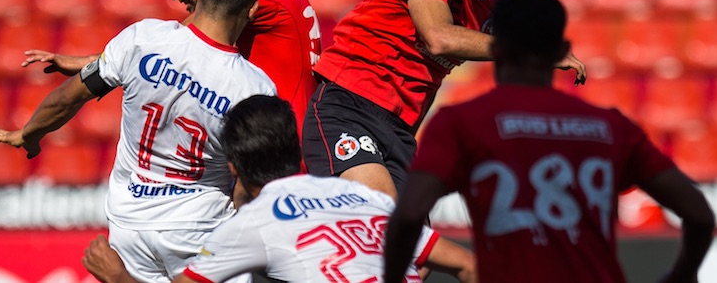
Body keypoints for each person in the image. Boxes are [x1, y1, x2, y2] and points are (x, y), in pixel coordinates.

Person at [0, 0, 275, 283]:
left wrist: (27, 135)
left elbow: (65, 98)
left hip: (129, 225)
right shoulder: (254, 89)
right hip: (200, 228)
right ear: (252, 9)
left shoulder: (143, 38)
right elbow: (250, 183)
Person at [383, 0, 716, 283]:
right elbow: (699, 214)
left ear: (494, 46)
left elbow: (410, 214)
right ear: (561, 51)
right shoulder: (611, 128)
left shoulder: (460, 123)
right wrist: (682, 274)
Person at [301, 0, 587, 201]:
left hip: (399, 132)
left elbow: (432, 75)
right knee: (383, 219)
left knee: (409, 240)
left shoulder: (496, 13)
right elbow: (439, 38)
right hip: (348, 107)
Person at [81, 95, 478, 283]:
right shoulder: (366, 197)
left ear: (234, 168)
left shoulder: (254, 221)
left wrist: (118, 278)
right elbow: (468, 264)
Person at [22, 0, 321, 132]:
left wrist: (97, 65)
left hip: (277, 153)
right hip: (282, 141)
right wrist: (95, 61)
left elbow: (172, 47)